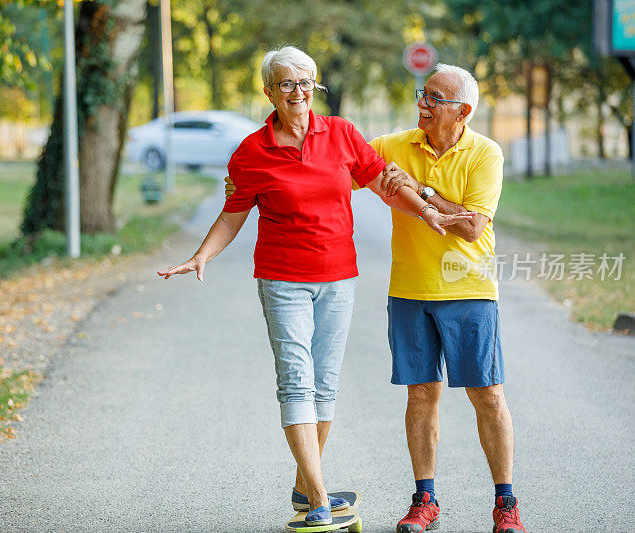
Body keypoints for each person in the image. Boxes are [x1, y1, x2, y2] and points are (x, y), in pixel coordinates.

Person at [157, 46, 473, 527]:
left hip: (338, 278)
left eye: (307, 83)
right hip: (282, 279)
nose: (299, 92)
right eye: (288, 83)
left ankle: (305, 487)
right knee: (296, 382)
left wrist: (428, 209)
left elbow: (387, 181)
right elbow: (233, 212)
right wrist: (202, 255)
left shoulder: (342, 133)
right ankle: (320, 498)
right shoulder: (251, 151)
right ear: (269, 91)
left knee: (324, 385)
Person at [227, 63, 527, 533]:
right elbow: (323, 172)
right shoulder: (392, 146)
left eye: (435, 99)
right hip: (408, 291)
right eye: (421, 94)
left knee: (487, 395)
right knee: (421, 396)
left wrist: (418, 187)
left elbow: (471, 226)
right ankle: (424, 501)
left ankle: (505, 506)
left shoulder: (485, 153)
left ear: (462, 111)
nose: (422, 104)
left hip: (468, 289)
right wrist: (248, 185)